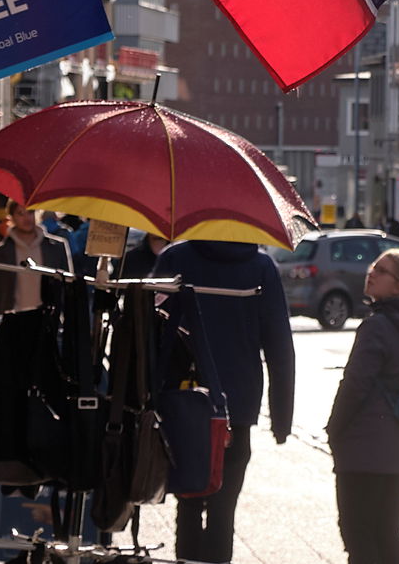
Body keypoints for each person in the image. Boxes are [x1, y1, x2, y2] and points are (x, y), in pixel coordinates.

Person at [154, 239, 296, 564]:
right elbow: (279, 346)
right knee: (223, 508)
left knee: (188, 501)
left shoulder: (175, 258)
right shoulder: (261, 268)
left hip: (181, 398)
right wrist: (281, 417)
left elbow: (150, 327)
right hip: (237, 405)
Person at [326, 248, 399, 564]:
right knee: (388, 533)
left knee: (358, 535)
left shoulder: (377, 326)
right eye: (373, 266)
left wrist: (334, 429)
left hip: (363, 449)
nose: (371, 272)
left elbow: (355, 384)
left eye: (381, 271)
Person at [0, 202, 71, 322]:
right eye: (20, 213)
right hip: (12, 322)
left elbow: (68, 289)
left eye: (30, 212)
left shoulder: (57, 247)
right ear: (12, 217)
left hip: (47, 322)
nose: (27, 218)